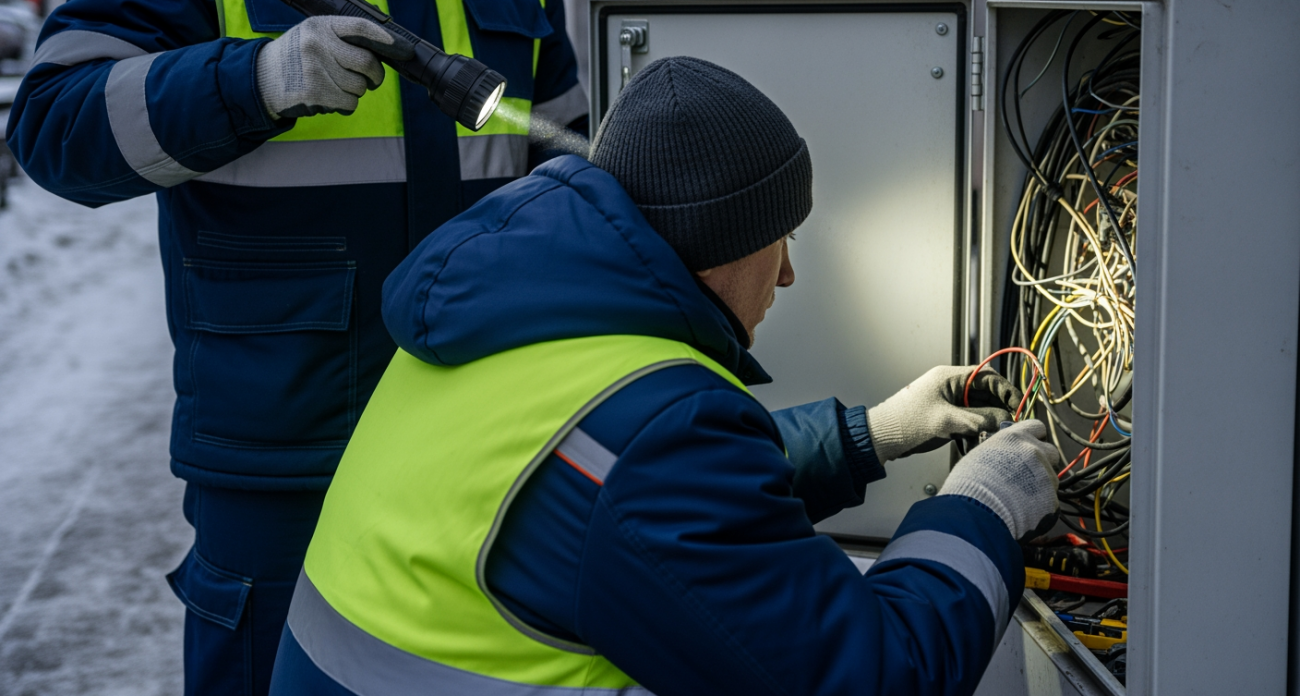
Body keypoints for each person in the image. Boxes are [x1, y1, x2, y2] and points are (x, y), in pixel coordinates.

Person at [267, 57, 1061, 696]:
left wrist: (870, 436)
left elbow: (626, 495)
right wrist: (979, 509)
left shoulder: (508, 318)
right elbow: (878, 675)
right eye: (780, 237)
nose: (786, 274)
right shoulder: (649, 438)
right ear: (722, 245)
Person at [3, 0, 588, 693]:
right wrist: (254, 80)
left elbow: (571, 151)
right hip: (284, 453)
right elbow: (56, 125)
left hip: (485, 445)